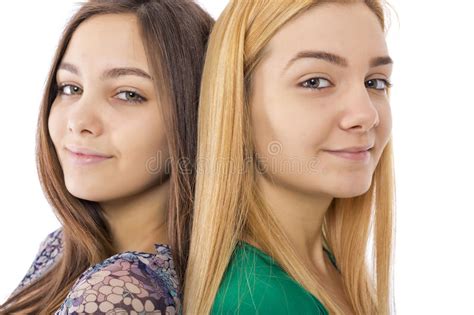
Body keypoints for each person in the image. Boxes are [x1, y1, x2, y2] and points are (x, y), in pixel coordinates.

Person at [0, 0, 212, 313]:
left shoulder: (122, 290)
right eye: (70, 88)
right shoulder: (62, 247)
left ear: (196, 113)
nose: (79, 121)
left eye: (128, 94)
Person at [184, 0, 396, 314]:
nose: (365, 114)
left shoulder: (323, 267)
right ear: (238, 102)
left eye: (374, 82)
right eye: (315, 82)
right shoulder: (257, 302)